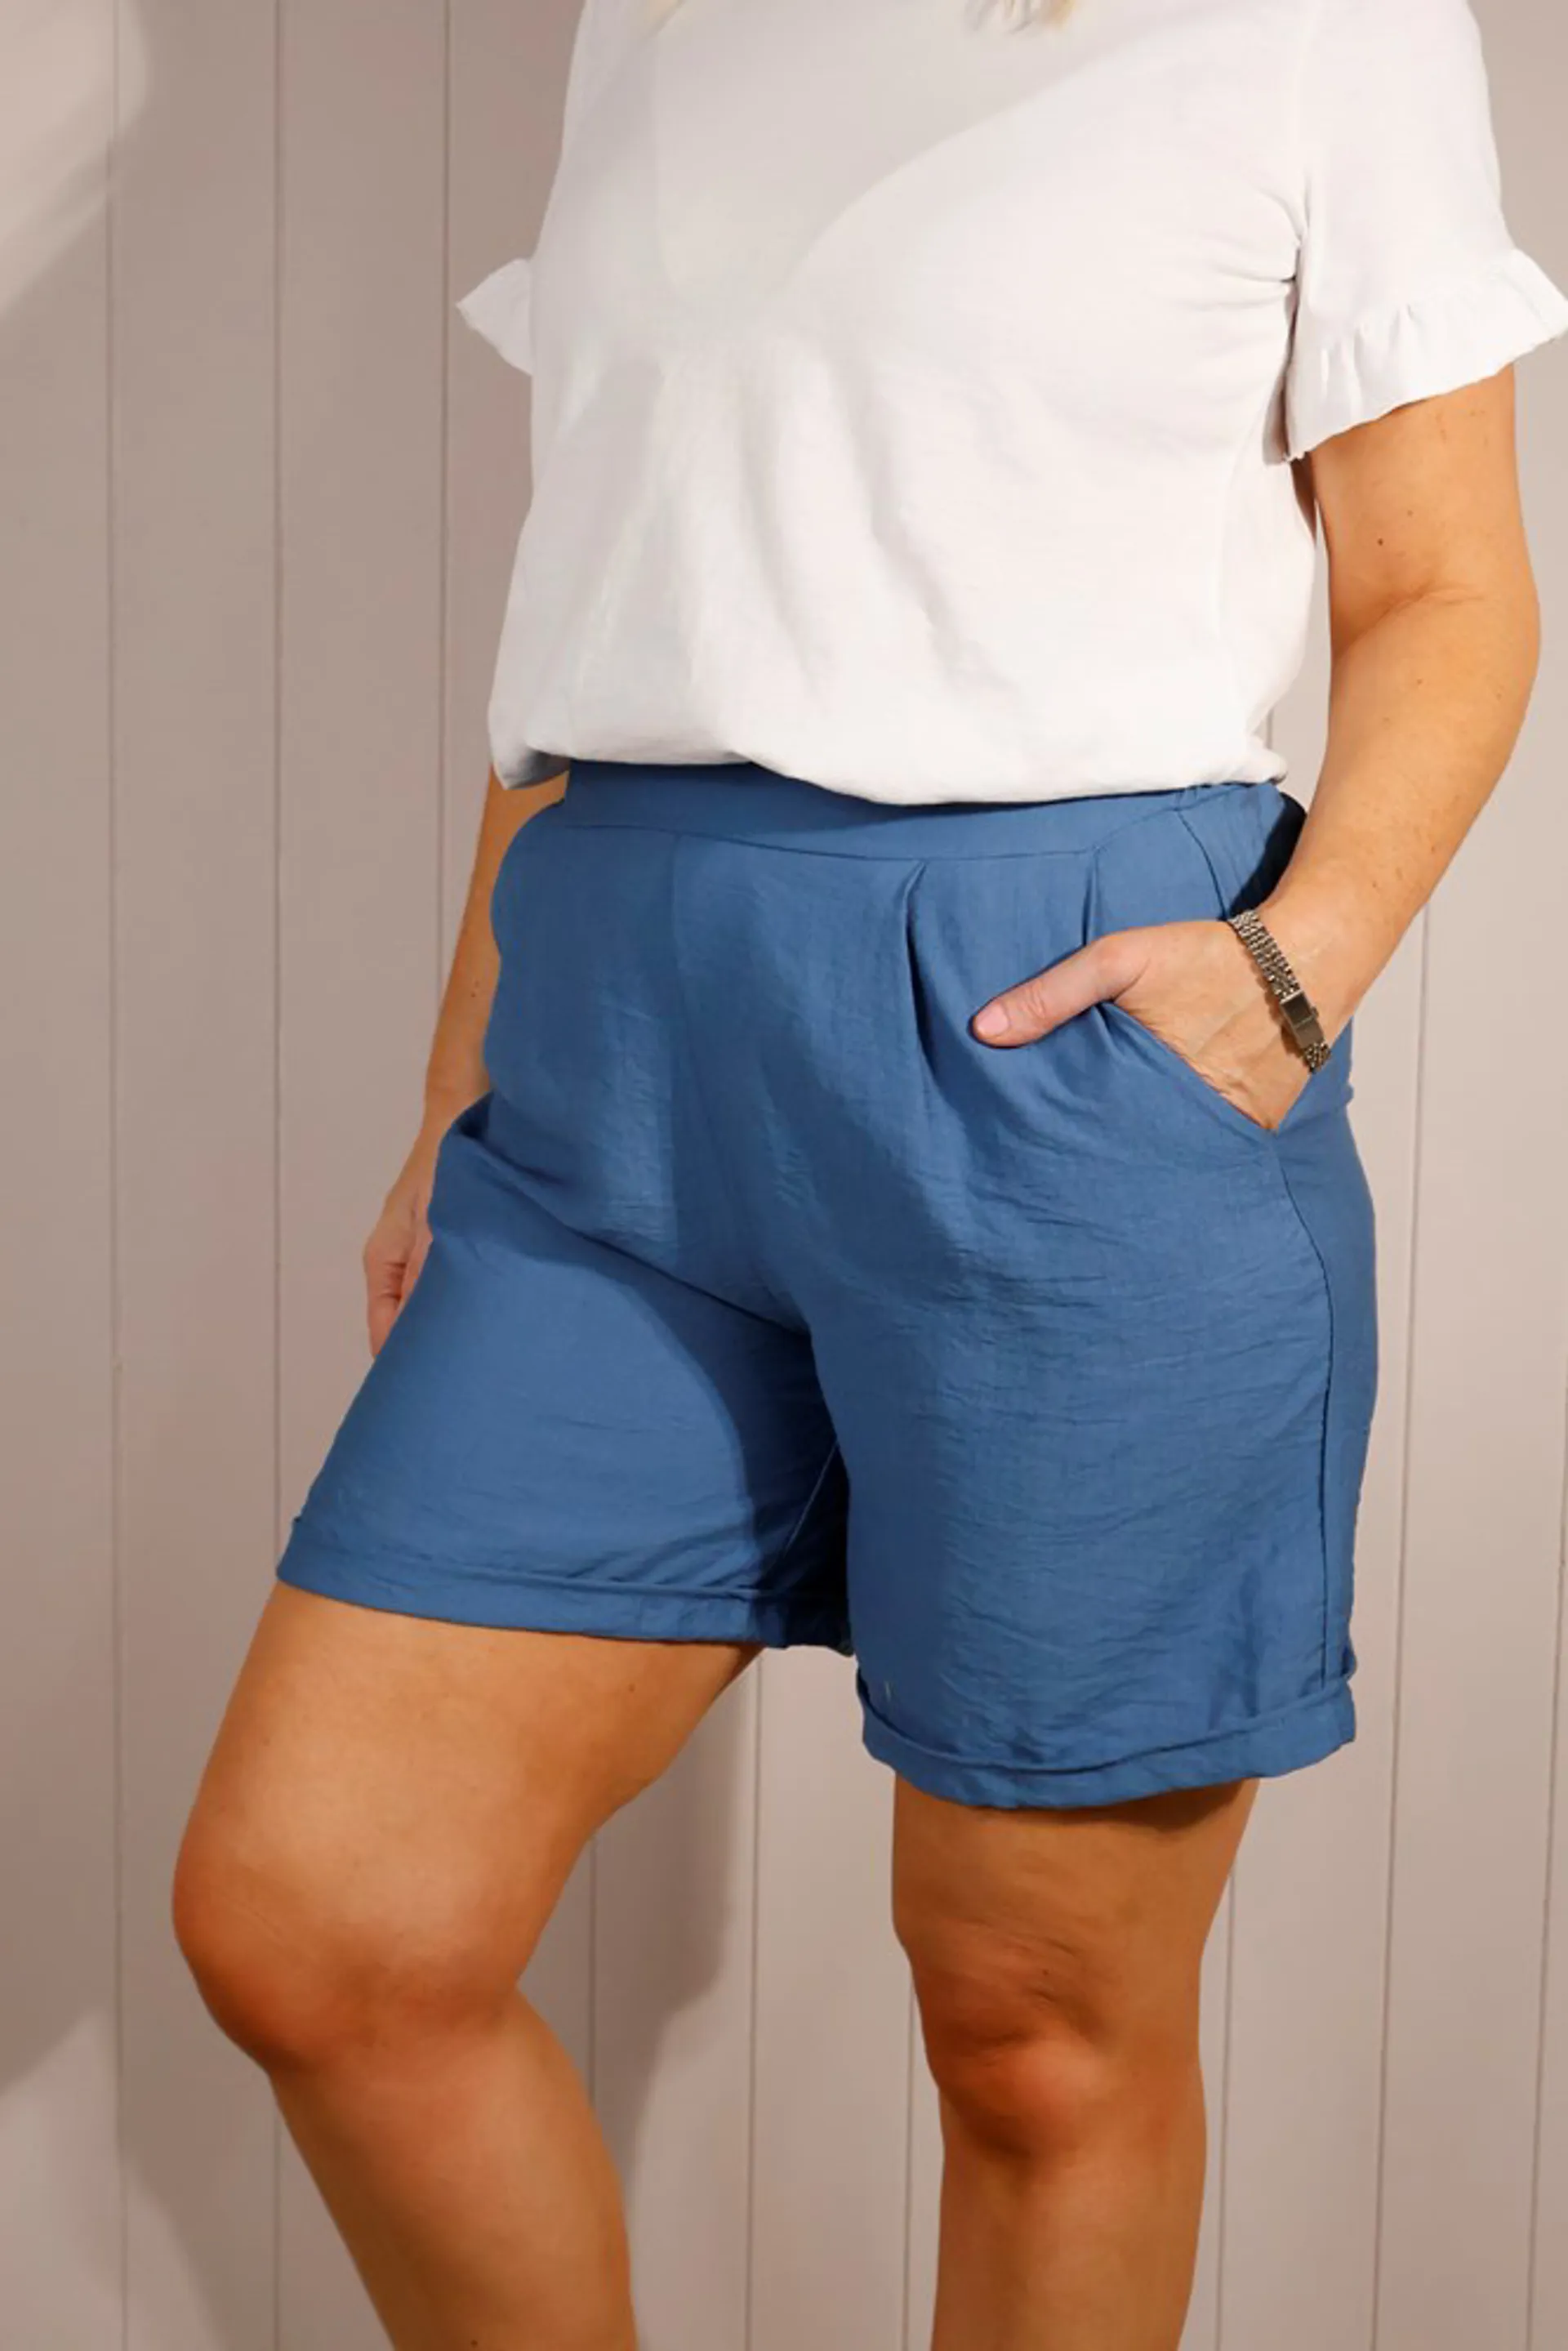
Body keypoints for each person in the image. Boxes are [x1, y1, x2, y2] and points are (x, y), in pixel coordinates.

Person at [171, 1, 1566, 2344]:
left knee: (1033, 2025)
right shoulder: (660, 20)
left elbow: (1442, 579)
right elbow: (611, 584)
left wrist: (1292, 967)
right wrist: (458, 1082)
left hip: (1056, 1055)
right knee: (322, 1927)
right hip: (611, 1061)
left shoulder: (1317, 22)